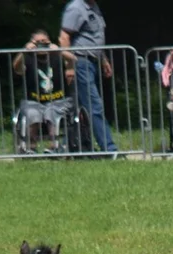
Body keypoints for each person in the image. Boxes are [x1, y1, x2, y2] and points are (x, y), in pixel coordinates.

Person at [59, 0, 118, 155]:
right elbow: (64, 38)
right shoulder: (76, 8)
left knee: (79, 107)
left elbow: (95, 37)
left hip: (93, 61)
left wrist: (103, 59)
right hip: (80, 61)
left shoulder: (95, 7)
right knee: (94, 105)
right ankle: (109, 148)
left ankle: (70, 146)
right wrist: (69, 65)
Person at [12, 30, 75, 153]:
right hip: (33, 101)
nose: (41, 45)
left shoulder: (57, 56)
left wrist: (58, 50)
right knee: (31, 113)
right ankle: (31, 147)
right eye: (37, 42)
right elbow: (16, 67)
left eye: (44, 42)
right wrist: (25, 50)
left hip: (58, 100)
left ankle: (54, 146)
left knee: (52, 112)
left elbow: (73, 60)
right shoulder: (28, 58)